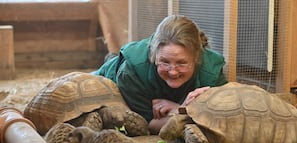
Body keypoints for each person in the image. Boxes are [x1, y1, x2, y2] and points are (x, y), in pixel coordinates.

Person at [92, 15, 227, 134]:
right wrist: (185, 111)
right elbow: (146, 125)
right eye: (165, 62)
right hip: (104, 86)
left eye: (181, 63)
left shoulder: (211, 71)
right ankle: (112, 59)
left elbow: (222, 118)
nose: (173, 71)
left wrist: (180, 109)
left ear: (197, 58)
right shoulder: (131, 71)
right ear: (154, 56)